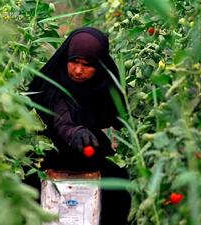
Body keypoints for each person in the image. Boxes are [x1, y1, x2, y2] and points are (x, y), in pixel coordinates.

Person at [26, 27, 131, 225]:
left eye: (87, 65)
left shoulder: (103, 85)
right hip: (48, 155)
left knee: (117, 187)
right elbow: (61, 118)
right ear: (66, 58)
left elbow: (117, 116)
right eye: (74, 61)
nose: (78, 71)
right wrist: (75, 131)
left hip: (85, 152)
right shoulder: (52, 84)